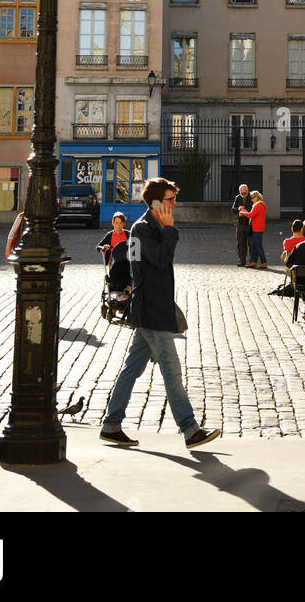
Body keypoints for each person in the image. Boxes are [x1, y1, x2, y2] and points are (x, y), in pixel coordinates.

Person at [100, 179, 220, 448]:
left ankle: (111, 424)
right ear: (155, 203)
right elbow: (161, 258)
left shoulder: (143, 229)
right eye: (170, 200)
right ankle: (189, 429)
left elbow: (141, 265)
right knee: (171, 369)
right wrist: (170, 230)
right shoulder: (142, 230)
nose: (174, 204)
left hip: (150, 307)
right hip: (151, 308)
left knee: (132, 368)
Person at [98, 211, 131, 293]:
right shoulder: (110, 235)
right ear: (113, 223)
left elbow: (136, 245)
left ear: (123, 224)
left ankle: (127, 288)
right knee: (117, 268)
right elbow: (98, 246)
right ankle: (115, 288)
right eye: (116, 223)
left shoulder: (128, 234)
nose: (118, 225)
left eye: (120, 223)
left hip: (126, 260)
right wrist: (103, 247)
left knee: (127, 269)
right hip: (113, 261)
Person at [242, 190, 267, 269]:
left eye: (252, 197)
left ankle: (263, 262)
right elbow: (252, 214)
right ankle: (253, 261)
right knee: (253, 245)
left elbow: (251, 215)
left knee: (258, 246)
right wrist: (246, 212)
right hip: (255, 228)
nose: (251, 199)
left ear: (256, 197)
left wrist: (243, 213)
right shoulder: (258, 205)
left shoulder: (258, 205)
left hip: (257, 229)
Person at [231, 183, 251, 267]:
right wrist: (238, 209)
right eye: (242, 193)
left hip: (250, 223)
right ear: (240, 192)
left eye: (245, 193)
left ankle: (252, 261)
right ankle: (242, 261)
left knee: (251, 244)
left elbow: (255, 208)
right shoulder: (238, 198)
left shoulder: (252, 197)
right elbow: (233, 209)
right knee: (240, 243)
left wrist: (247, 211)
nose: (243, 194)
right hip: (240, 223)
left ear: (247, 191)